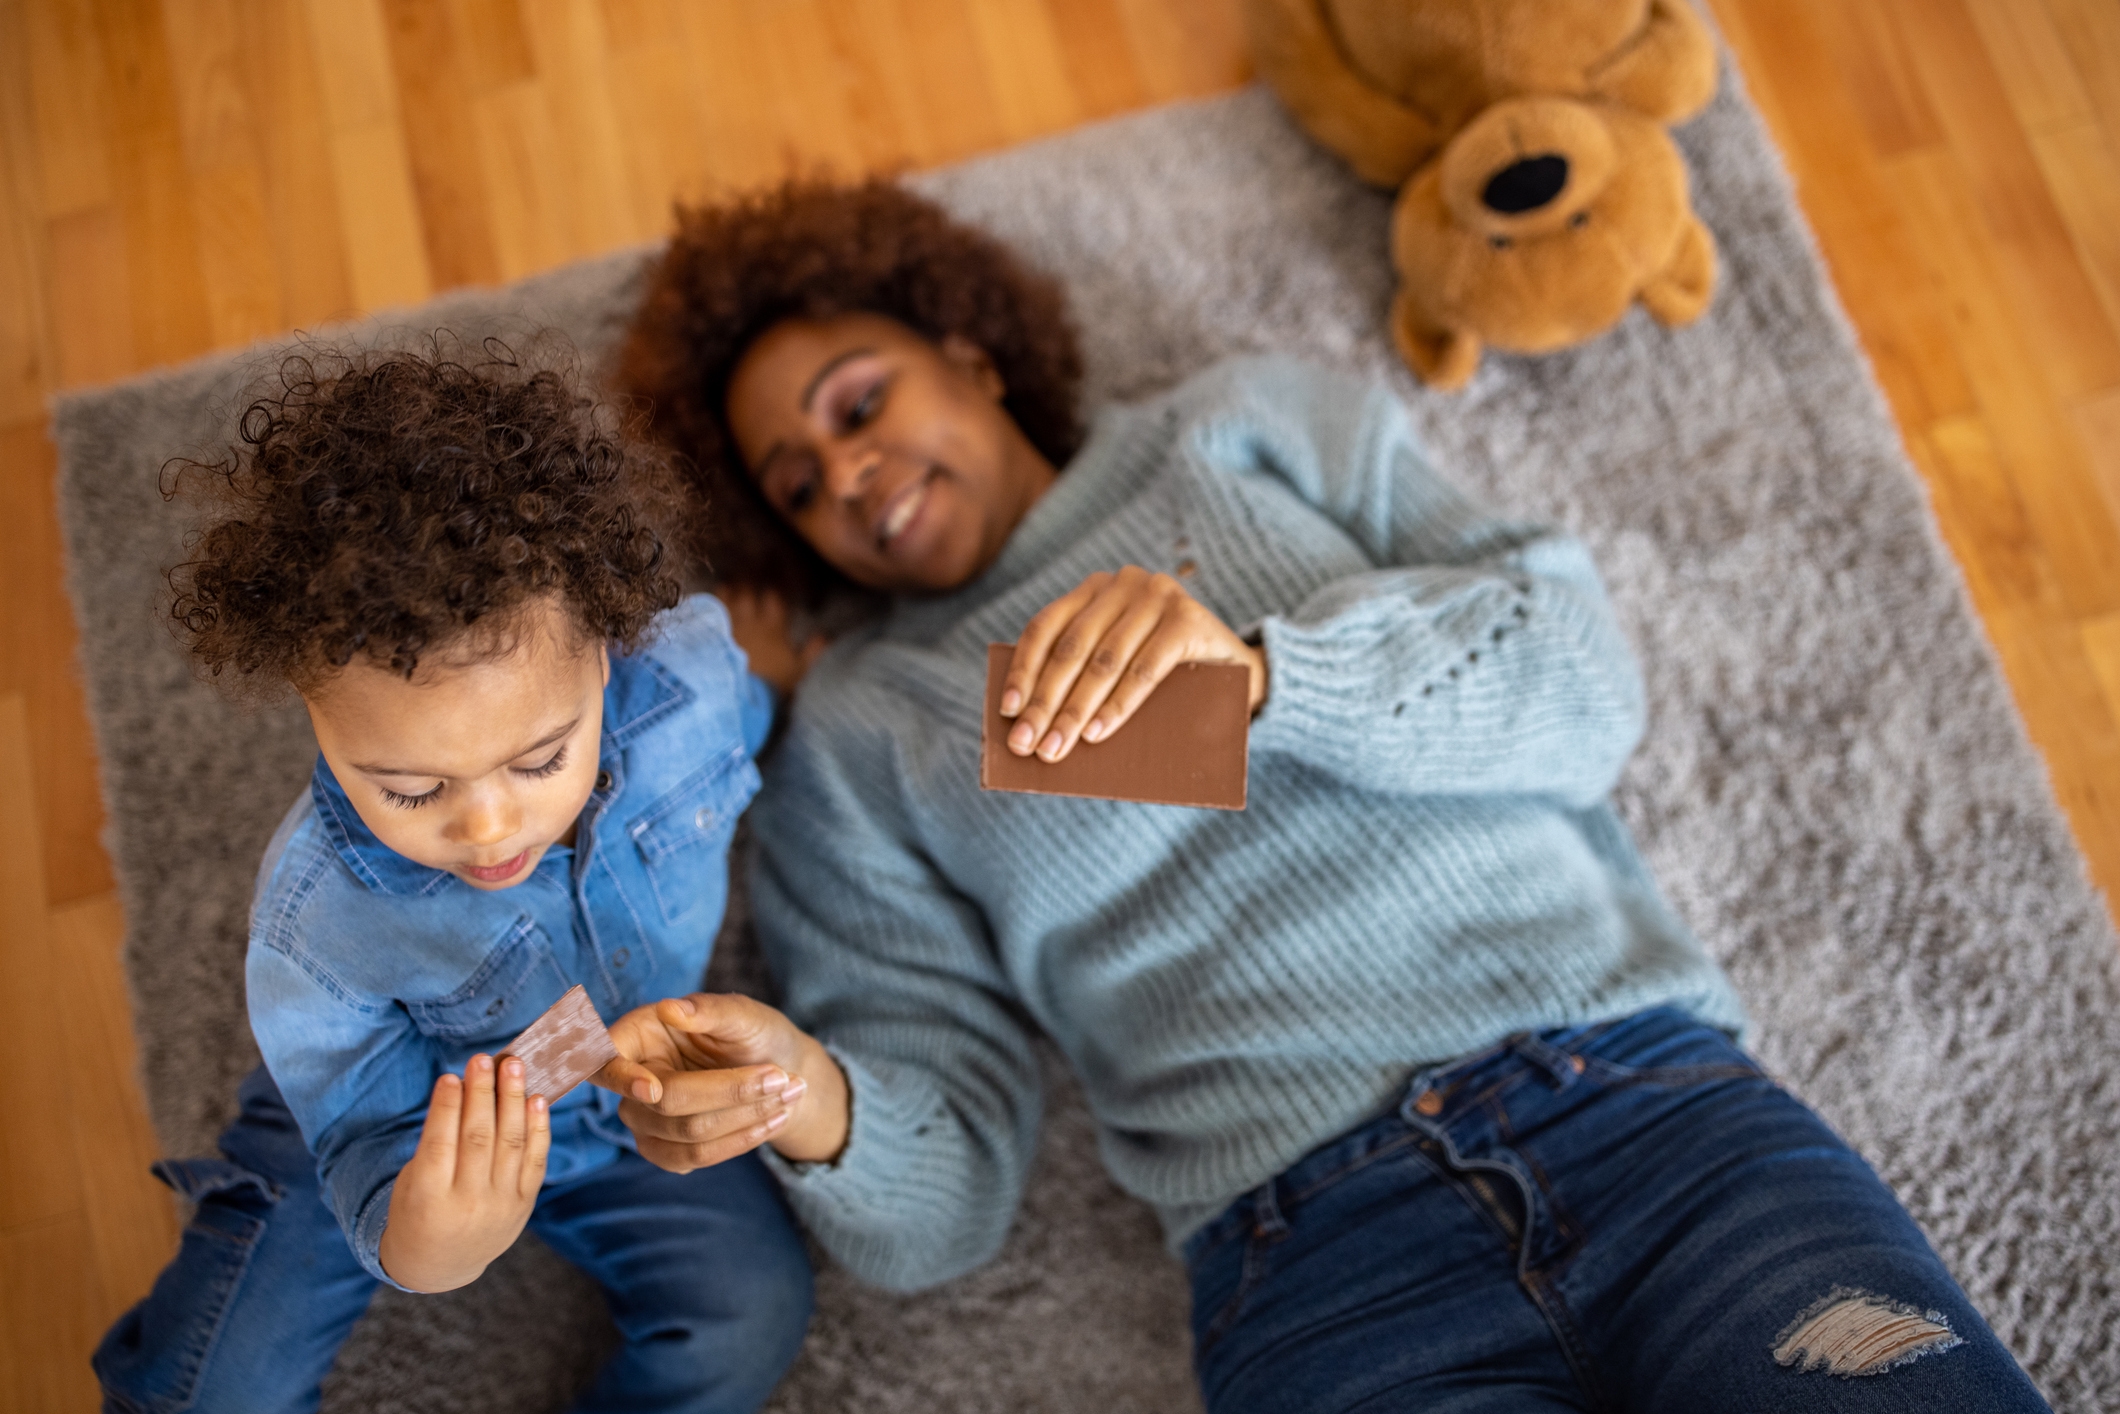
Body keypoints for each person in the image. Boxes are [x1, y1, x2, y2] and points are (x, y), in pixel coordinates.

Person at [603, 180, 2055, 1414]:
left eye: (860, 401)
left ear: (969, 353)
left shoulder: (1249, 430)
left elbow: (1581, 684)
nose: (851, 472)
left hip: (1651, 1120)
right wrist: (807, 1095)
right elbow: (951, 1193)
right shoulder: (861, 737)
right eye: (797, 482)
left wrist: (1260, 677)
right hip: (1315, 1263)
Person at [93, 339, 814, 1414]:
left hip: (622, 1097)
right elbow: (362, 1133)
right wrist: (431, 1240)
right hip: (389, 1117)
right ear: (313, 714)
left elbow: (745, 712)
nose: (487, 825)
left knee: (751, 1312)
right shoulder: (316, 918)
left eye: (538, 760)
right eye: (411, 790)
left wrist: (788, 671)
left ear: (609, 654)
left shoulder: (691, 685)